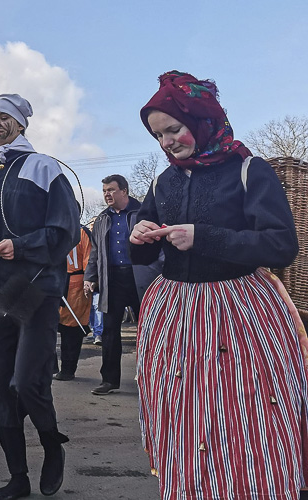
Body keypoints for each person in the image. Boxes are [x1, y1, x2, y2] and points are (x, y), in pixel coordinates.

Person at [131, 70, 306, 500]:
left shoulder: (250, 171)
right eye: (158, 136)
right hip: (174, 316)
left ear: (203, 117)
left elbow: (282, 245)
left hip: (240, 313)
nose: (167, 142)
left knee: (245, 417)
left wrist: (204, 237)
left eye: (174, 128)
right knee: (184, 417)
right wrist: (139, 235)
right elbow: (148, 253)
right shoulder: (163, 181)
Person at [0, 94, 80, 499]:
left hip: (32, 287)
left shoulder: (44, 167)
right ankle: (18, 477)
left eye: (2, 118)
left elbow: (66, 229)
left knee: (27, 382)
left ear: (20, 123)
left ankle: (51, 447)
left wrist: (22, 246)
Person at [84, 174, 160, 395]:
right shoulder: (101, 219)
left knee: (148, 330)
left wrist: (159, 271)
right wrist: (91, 277)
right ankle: (109, 380)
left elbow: (159, 245)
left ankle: (152, 377)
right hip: (112, 279)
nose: (107, 194)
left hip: (141, 278)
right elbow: (95, 252)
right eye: (105, 191)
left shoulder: (143, 213)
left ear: (124, 191)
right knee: (109, 331)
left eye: (111, 190)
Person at [54, 224, 92, 381]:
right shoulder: (52, 230)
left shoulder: (82, 232)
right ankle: (50, 367)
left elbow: (89, 258)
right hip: (54, 282)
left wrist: (89, 280)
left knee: (72, 331)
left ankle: (68, 369)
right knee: (46, 326)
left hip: (76, 285)